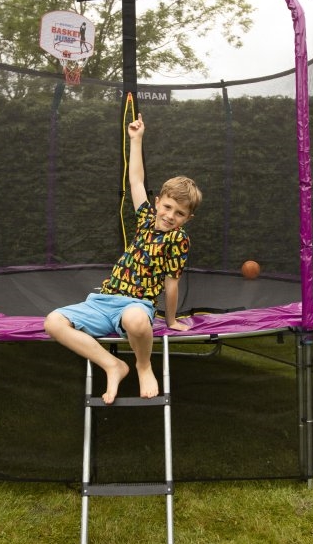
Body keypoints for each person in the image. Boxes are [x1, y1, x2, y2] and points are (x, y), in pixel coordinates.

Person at [44, 113, 202, 405]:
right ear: (157, 202)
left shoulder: (178, 239)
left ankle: (143, 365)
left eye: (180, 213)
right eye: (167, 207)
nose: (170, 216)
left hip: (137, 305)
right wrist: (136, 139)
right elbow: (136, 180)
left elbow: (171, 283)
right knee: (53, 322)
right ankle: (112, 365)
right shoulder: (145, 218)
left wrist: (170, 320)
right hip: (103, 300)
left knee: (135, 319)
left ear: (188, 218)